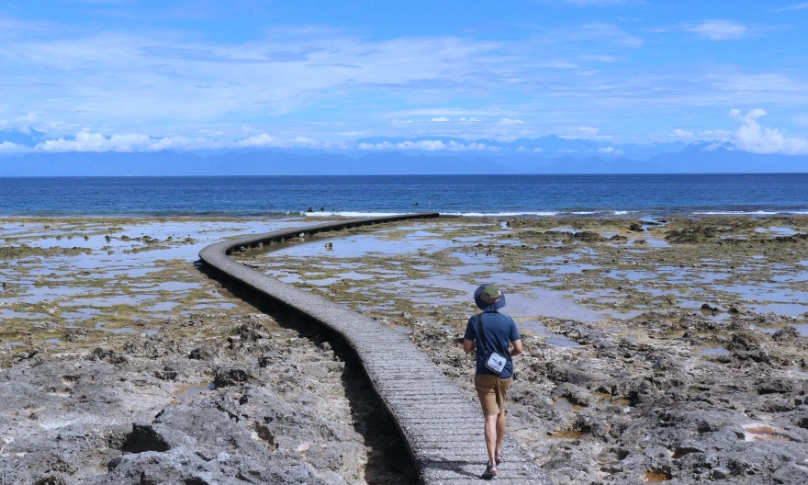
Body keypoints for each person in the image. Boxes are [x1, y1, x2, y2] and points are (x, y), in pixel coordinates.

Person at [463, 284, 523, 480]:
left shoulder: (475, 320)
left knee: (490, 417)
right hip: (505, 372)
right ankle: (499, 451)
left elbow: (467, 348)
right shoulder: (508, 321)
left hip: (484, 372)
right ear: (499, 300)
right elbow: (518, 349)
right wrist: (507, 356)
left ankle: (491, 464)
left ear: (481, 300)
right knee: (501, 410)